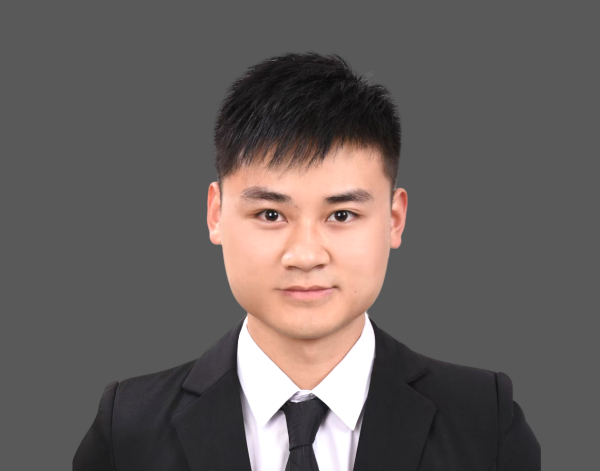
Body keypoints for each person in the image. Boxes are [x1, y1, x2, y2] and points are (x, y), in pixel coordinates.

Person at [73, 52, 540, 471]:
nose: (306, 255)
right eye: (270, 214)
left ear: (394, 219)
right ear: (216, 214)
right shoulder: (129, 430)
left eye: (342, 215)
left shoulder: (484, 421)